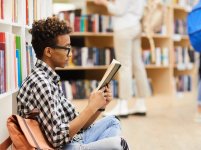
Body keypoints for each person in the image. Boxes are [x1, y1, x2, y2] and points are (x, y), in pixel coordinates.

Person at [17, 17, 129, 149]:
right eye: (67, 48)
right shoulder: (41, 83)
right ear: (48, 51)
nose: (70, 54)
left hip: (73, 140)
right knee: (118, 144)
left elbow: (80, 125)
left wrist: (99, 106)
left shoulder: (50, 79)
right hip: (61, 146)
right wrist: (90, 108)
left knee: (113, 122)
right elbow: (57, 139)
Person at [94, 0, 149, 117]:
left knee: (124, 65)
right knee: (137, 64)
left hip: (124, 27)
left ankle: (122, 105)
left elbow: (118, 10)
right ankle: (141, 103)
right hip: (136, 26)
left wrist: (104, 2)